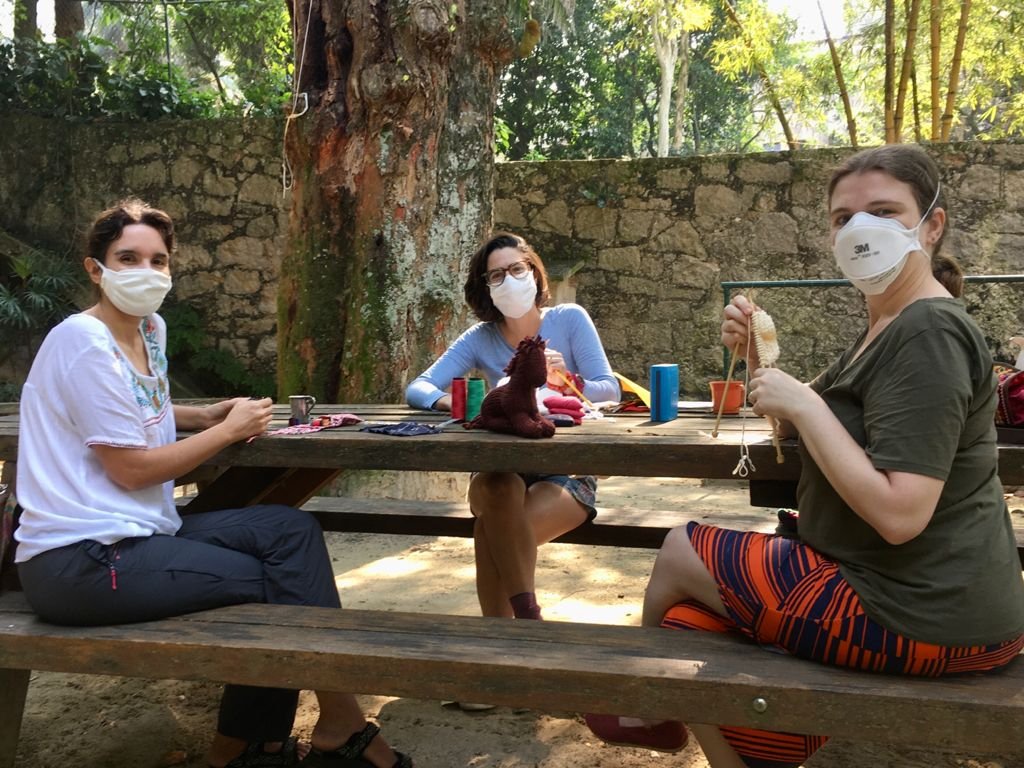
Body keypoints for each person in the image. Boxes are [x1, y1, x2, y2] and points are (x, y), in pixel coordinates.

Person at [585, 144, 1024, 767]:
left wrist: (807, 405)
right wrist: (759, 359)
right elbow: (794, 426)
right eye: (844, 218)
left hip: (926, 610)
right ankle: (711, 733)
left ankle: (645, 706)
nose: (861, 229)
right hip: (899, 596)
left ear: (932, 225)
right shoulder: (884, 329)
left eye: (884, 211)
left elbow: (902, 514)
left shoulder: (930, 331)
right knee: (686, 627)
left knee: (682, 548)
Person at [14, 199, 412, 768]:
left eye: (158, 260)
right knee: (277, 584)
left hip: (139, 534)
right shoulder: (82, 342)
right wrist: (227, 432)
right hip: (81, 560)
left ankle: (312, 728)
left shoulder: (149, 329)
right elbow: (131, 468)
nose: (146, 271)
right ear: (95, 269)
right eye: (127, 258)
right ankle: (262, 743)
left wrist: (201, 415)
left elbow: (132, 404)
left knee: (289, 531)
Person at [406, 233, 619, 625]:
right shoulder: (480, 338)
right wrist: (455, 403)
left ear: (534, 273)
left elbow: (610, 388)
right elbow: (418, 388)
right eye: (497, 275)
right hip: (500, 465)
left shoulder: (569, 319)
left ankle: (507, 635)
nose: (509, 279)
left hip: (566, 470)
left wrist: (567, 381)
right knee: (497, 490)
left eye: (517, 269)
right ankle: (525, 626)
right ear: (486, 287)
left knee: (491, 533)